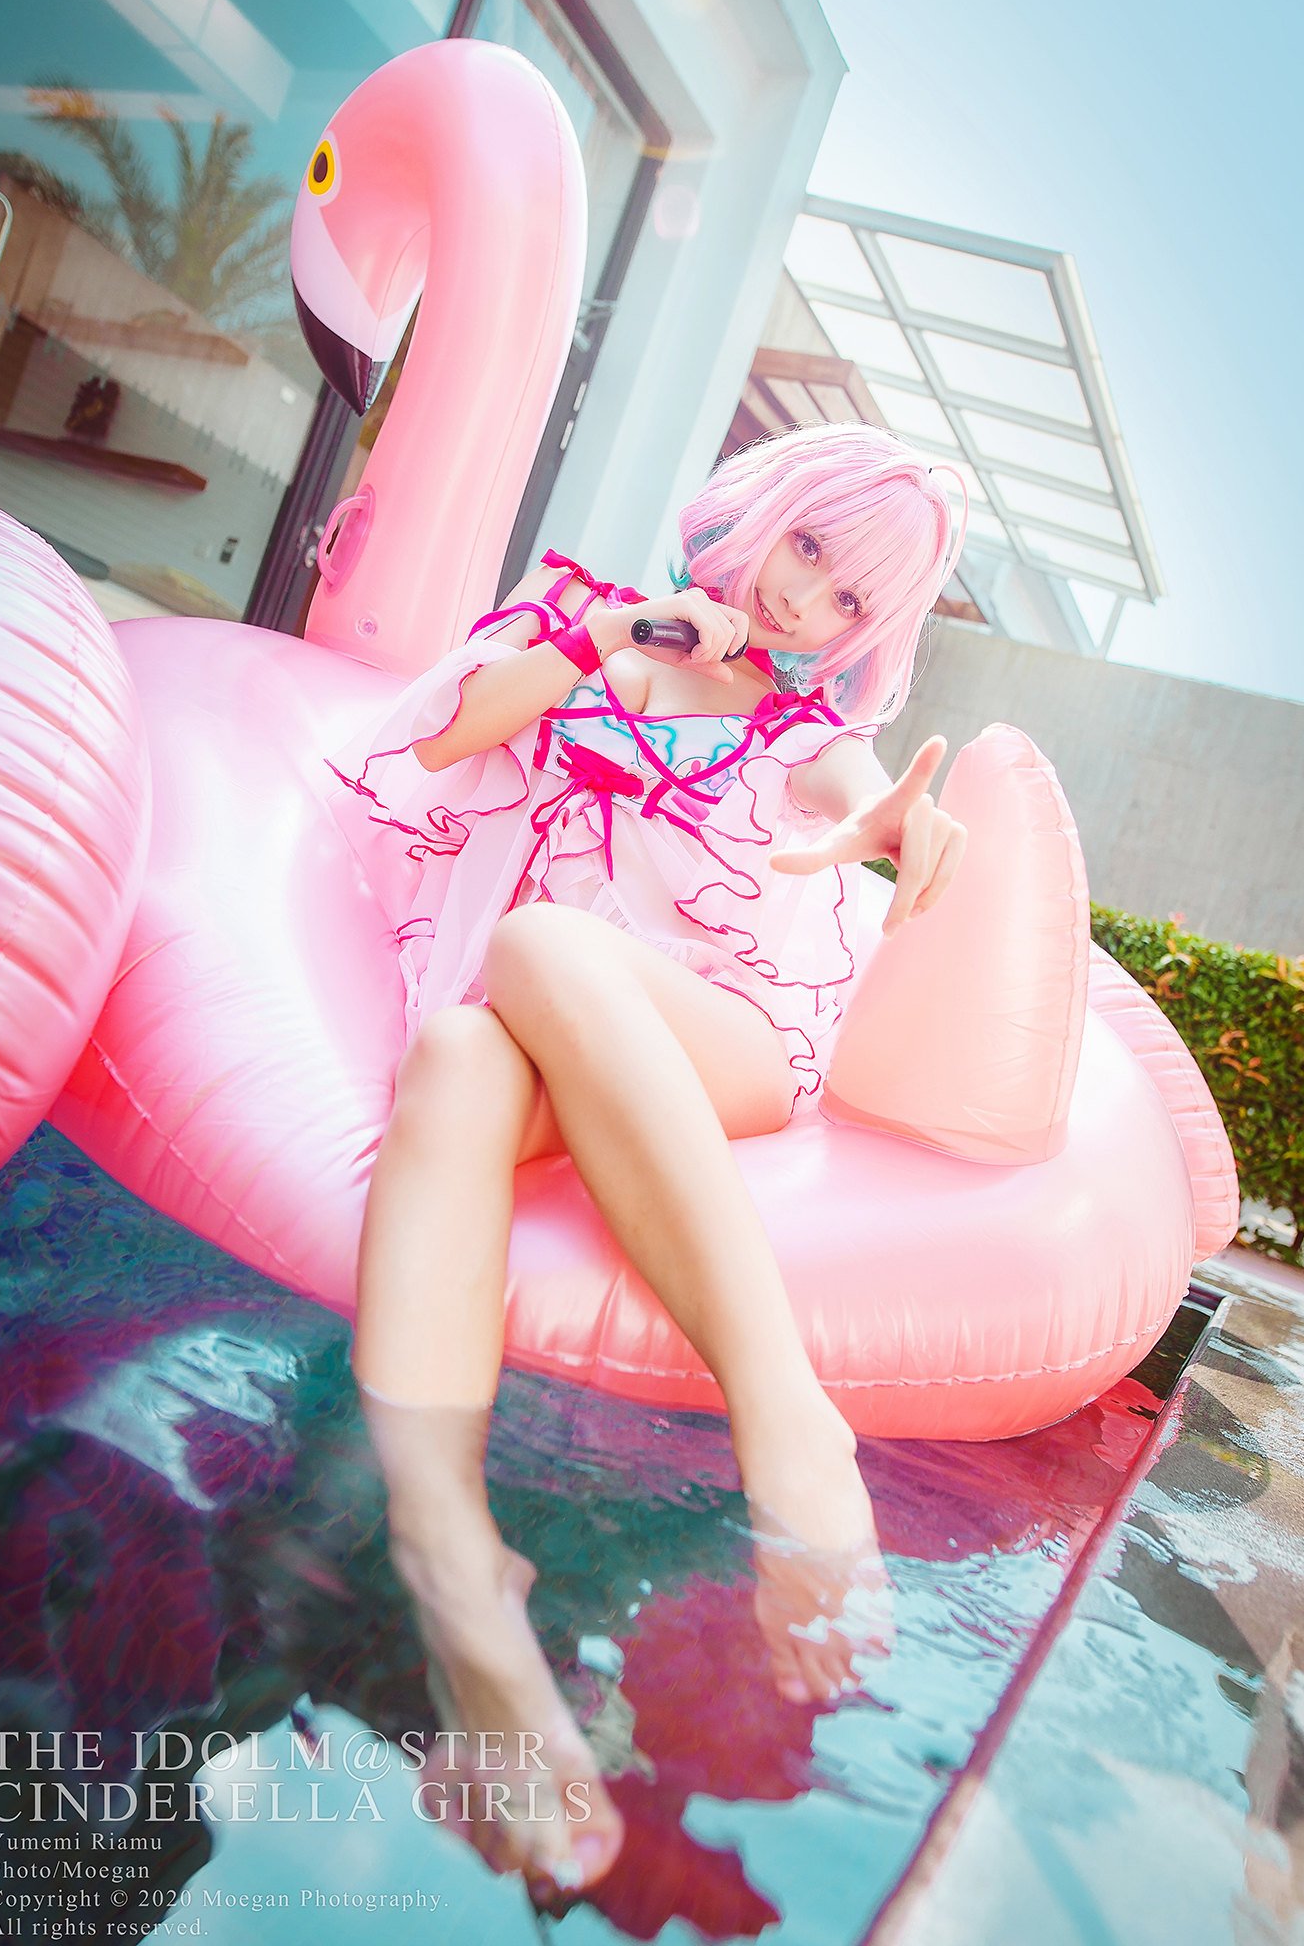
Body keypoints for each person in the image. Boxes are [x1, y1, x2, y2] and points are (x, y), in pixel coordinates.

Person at [326, 422, 968, 1899]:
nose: (806, 599)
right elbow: (441, 739)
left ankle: (785, 1418)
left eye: (849, 599)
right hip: (548, 1027)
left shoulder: (800, 726)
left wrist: (894, 822)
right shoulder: (584, 620)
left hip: (722, 1036)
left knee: (542, 946)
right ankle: (449, 1557)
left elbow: (853, 791)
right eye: (811, 547)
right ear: (762, 511)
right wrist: (620, 634)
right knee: (458, 1056)